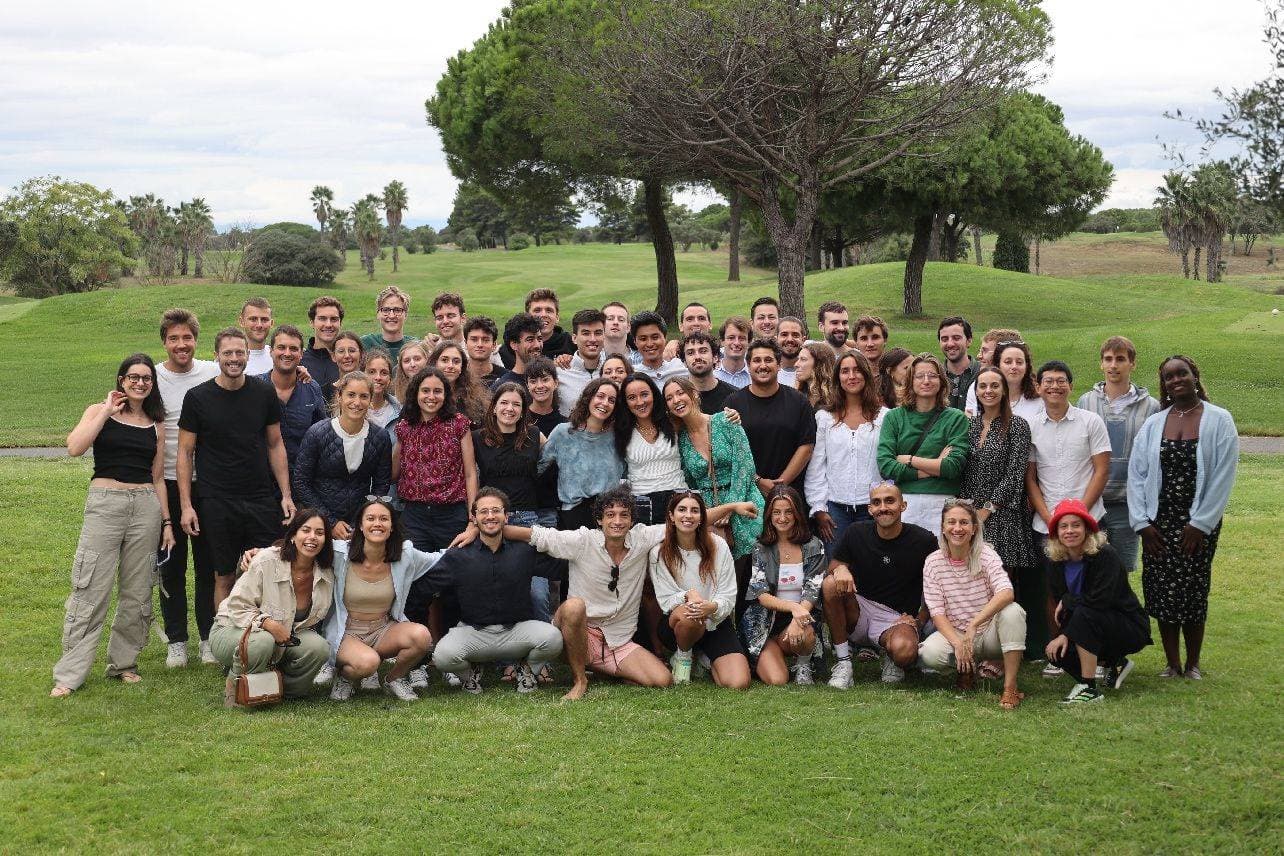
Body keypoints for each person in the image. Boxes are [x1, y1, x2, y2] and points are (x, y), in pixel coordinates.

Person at [505, 485, 753, 699]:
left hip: (618, 640)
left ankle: (604, 668)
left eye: (624, 515)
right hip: (581, 633)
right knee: (573, 606)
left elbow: (686, 521)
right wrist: (487, 528)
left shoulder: (642, 539)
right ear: (599, 519)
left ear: (632, 519)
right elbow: (536, 535)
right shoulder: (582, 541)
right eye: (610, 514)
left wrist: (731, 507)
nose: (617, 521)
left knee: (662, 680)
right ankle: (580, 680)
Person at [51, 354, 174, 698]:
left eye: (146, 378)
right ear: (121, 380)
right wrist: (106, 411)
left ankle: (124, 663)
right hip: (106, 503)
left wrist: (166, 521)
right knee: (90, 586)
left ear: (152, 384)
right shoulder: (98, 411)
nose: (140, 383)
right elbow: (75, 447)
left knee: (137, 591)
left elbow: (158, 477)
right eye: (133, 377)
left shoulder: (156, 422)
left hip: (146, 507)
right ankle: (70, 674)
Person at [1128, 355, 1238, 680]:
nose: (1176, 380)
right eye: (1169, 377)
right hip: (1158, 524)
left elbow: (1222, 476)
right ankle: (1172, 663)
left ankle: (1193, 664)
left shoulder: (1219, 420)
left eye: (1182, 374)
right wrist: (1142, 524)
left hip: (1198, 525)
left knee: (1193, 587)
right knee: (1161, 588)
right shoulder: (1154, 423)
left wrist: (1201, 524)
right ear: (1164, 384)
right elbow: (1137, 474)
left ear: (1194, 376)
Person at [177, 327, 293, 615]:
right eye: (227, 353)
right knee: (224, 574)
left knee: (266, 571)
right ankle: (225, 643)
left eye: (239, 353)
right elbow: (185, 452)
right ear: (216, 356)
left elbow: (275, 444)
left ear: (247, 355)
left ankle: (266, 644)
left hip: (259, 497)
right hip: (216, 500)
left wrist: (286, 495)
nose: (234, 358)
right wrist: (186, 505)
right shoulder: (197, 398)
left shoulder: (263, 392)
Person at [423, 489, 566, 693]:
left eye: (496, 511)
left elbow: (561, 567)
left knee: (553, 639)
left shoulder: (524, 551)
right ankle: (470, 675)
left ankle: (526, 670)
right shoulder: (458, 556)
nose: (490, 516)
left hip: (517, 631)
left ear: (506, 516)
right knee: (443, 656)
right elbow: (427, 588)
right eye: (484, 512)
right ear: (474, 518)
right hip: (474, 632)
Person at [208, 509, 334, 707]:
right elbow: (237, 606)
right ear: (293, 535)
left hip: (284, 635)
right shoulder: (266, 559)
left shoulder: (326, 572)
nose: (312, 537)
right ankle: (236, 687)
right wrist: (268, 623)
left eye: (319, 533)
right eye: (306, 530)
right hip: (232, 628)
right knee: (262, 641)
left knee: (318, 648)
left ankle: (281, 691)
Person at [472, 383, 558, 668]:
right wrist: (473, 519)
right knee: (501, 592)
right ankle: (507, 659)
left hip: (529, 521)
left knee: (538, 592)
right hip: (492, 523)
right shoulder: (477, 439)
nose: (510, 409)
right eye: (504, 403)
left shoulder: (534, 436)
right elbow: (471, 478)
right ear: (494, 406)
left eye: (516, 405)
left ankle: (540, 660)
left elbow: (557, 463)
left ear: (523, 411)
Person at [958, 366, 1041, 654]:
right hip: (969, 514)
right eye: (983, 386)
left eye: (995, 385)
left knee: (999, 586)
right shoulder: (968, 425)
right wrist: (969, 513)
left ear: (1004, 390)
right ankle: (975, 644)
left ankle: (1000, 650)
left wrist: (988, 509)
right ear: (976, 391)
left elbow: (1015, 475)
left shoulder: (1017, 425)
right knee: (974, 584)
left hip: (1002, 515)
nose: (988, 391)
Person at [323, 498, 440, 701]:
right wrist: (258, 553)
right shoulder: (340, 553)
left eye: (384, 519)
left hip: (383, 629)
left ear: (392, 526)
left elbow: (439, 559)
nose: (377, 523)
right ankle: (345, 677)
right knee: (368, 663)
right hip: (347, 632)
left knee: (421, 636)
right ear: (360, 525)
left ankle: (393, 679)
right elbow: (303, 549)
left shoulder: (405, 555)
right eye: (371, 518)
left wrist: (473, 535)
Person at [823, 483, 937, 688]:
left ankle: (893, 658)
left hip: (897, 617)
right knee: (831, 584)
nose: (883, 507)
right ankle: (843, 663)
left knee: (904, 651)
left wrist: (918, 622)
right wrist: (839, 569)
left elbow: (936, 587)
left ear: (903, 505)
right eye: (876, 502)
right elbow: (832, 567)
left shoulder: (924, 540)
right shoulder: (856, 532)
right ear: (870, 509)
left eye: (890, 501)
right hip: (859, 609)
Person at [918, 499, 1028, 709]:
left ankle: (1010, 687)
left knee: (1013, 613)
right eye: (951, 522)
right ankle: (966, 670)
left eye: (964, 523)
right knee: (929, 654)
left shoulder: (986, 554)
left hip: (988, 632)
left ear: (974, 528)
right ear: (942, 527)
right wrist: (958, 643)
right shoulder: (933, 561)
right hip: (957, 632)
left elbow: (1006, 592)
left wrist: (974, 624)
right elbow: (937, 613)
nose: (957, 528)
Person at [154, 308, 218, 666]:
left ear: (196, 339)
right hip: (165, 482)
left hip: (205, 483)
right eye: (174, 338)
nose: (182, 344)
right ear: (164, 341)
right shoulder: (154, 377)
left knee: (208, 565)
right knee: (171, 564)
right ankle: (176, 639)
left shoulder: (210, 371)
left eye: (187, 338)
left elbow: (254, 370)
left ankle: (208, 637)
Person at [665, 376, 765, 602]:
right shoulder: (680, 439)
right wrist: (712, 512)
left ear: (694, 394)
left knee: (750, 581)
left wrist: (730, 508)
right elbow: (691, 480)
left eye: (680, 393)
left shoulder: (726, 421)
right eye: (669, 398)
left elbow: (745, 467)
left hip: (744, 502)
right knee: (716, 580)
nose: (676, 400)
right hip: (709, 511)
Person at [1043, 499, 1152, 705]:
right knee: (1056, 653)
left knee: (1084, 612)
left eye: (1076, 525)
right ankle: (1115, 662)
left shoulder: (1105, 555)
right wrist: (1065, 628)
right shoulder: (1055, 561)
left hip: (1127, 625)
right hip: (1089, 622)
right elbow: (1063, 606)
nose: (1070, 531)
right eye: (1063, 526)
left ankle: (1089, 687)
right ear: (1056, 532)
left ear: (1088, 528)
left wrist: (1066, 630)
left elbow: (1099, 600)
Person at [1076, 336, 1161, 572]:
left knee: (1122, 570)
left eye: (1121, 359)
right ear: (1101, 364)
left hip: (1128, 502)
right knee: (1089, 568)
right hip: (1092, 500)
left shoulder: (1151, 406)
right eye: (1108, 359)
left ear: (1132, 364)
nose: (1114, 365)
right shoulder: (1086, 402)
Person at [649, 491, 750, 688]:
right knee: (691, 614)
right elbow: (665, 599)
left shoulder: (719, 546)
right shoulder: (658, 552)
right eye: (682, 510)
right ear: (671, 515)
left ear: (702, 517)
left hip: (715, 620)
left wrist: (711, 606)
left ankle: (705, 658)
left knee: (738, 683)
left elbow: (728, 593)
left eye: (695, 511)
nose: (688, 516)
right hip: (679, 624)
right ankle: (684, 657)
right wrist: (688, 596)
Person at [740, 486, 825, 685]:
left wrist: (798, 617)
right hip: (766, 621)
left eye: (789, 512)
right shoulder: (760, 548)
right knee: (777, 680)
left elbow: (813, 588)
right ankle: (774, 653)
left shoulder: (814, 545)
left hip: (802, 616)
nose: (782, 518)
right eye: (776, 512)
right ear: (769, 515)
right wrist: (793, 608)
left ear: (797, 514)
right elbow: (761, 594)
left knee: (805, 633)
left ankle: (803, 664)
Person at [876, 353, 969, 535]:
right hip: (904, 503)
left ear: (942, 381)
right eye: (920, 376)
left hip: (943, 504)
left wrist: (909, 460)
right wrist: (934, 467)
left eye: (933, 376)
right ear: (910, 381)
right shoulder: (894, 417)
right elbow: (886, 466)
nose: (926, 381)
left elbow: (952, 467)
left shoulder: (955, 418)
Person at [292, 371, 393, 539]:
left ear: (370, 400)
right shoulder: (317, 433)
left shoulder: (380, 437)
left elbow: (381, 484)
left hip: (359, 525)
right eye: (351, 395)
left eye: (364, 396)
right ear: (340, 396)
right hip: (318, 523)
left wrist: (363, 520)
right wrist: (330, 522)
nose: (357, 402)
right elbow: (301, 482)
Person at [806, 351, 886, 554]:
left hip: (874, 507)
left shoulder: (884, 417)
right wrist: (819, 508)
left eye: (857, 370)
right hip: (836, 509)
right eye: (845, 371)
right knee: (836, 566)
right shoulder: (824, 417)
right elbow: (817, 466)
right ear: (837, 377)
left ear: (867, 375)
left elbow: (890, 464)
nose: (852, 376)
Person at [394, 366, 478, 555]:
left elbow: (470, 473)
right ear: (416, 393)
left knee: (450, 570)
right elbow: (394, 472)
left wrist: (473, 520)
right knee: (416, 572)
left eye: (437, 391)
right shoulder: (405, 427)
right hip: (415, 514)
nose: (431, 396)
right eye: (425, 390)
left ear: (446, 394)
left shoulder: (459, 423)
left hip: (451, 513)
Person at [1026, 360, 1112, 539]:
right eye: (1048, 382)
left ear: (1070, 386)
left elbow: (1102, 471)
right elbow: (1030, 479)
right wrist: (1050, 520)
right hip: (1046, 523)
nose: (1055, 386)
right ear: (1038, 387)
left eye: (1061, 381)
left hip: (1089, 519)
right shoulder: (1030, 427)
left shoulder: (1091, 421)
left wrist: (1078, 515)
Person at [726, 339, 816, 499]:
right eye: (756, 360)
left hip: (790, 494)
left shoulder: (799, 402)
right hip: (748, 494)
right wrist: (758, 481)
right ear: (748, 365)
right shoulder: (733, 403)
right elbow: (728, 451)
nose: (762, 365)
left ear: (779, 364)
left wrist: (780, 485)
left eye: (768, 360)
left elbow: (806, 446)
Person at [540, 378, 625, 530]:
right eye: (600, 396)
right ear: (589, 397)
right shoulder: (563, 432)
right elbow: (538, 468)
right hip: (573, 517)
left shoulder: (619, 436)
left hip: (610, 518)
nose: (605, 403)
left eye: (611, 400)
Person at [615, 374, 688, 526]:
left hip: (678, 499)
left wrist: (728, 415)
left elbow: (701, 422)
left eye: (644, 394)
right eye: (632, 397)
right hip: (641, 503)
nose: (640, 402)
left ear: (654, 395)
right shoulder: (619, 430)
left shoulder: (673, 421)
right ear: (625, 402)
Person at [258, 324, 328, 471]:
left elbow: (322, 435)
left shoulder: (311, 388)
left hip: (303, 477)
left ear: (301, 354)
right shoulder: (255, 388)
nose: (287, 353)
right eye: (281, 347)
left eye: (294, 349)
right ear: (271, 351)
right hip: (262, 481)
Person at [965, 339, 1043, 422]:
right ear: (998, 365)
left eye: (1019, 362)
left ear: (1026, 366)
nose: (1014, 367)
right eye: (1008, 362)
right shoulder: (979, 387)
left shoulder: (1040, 395)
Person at [499, 289, 575, 367]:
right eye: (537, 310)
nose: (543, 315)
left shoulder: (571, 344)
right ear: (527, 316)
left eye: (549, 310)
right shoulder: (509, 349)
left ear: (557, 317)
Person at [961, 327, 1023, 416]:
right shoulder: (976, 387)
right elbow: (971, 424)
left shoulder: (1036, 390)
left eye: (984, 351)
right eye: (980, 351)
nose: (979, 356)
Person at [556, 308, 607, 416]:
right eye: (586, 333)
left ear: (604, 336)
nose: (593, 339)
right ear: (574, 338)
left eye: (598, 333)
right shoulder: (559, 372)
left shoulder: (612, 370)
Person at [431, 340, 489, 426]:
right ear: (435, 363)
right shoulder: (420, 396)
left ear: (462, 367)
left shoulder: (475, 400)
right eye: (444, 360)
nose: (450, 365)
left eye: (456, 361)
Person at [679, 331, 736, 414]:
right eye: (690, 353)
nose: (697, 357)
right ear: (684, 361)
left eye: (703, 351)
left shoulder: (734, 396)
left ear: (715, 357)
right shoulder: (677, 398)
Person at [301, 296, 344, 403]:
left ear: (340, 323)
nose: (328, 324)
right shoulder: (299, 361)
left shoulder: (349, 361)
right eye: (322, 318)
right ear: (312, 322)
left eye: (334, 319)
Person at [361, 285, 418, 364]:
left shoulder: (416, 346)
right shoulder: (365, 344)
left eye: (397, 310)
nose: (391, 315)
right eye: (386, 310)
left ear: (406, 314)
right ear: (378, 314)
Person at [630, 311, 688, 385]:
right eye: (643, 339)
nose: (650, 344)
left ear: (665, 338)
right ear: (635, 342)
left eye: (655, 337)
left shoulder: (680, 368)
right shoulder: (632, 375)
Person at [492, 313, 544, 389]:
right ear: (514, 344)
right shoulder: (501, 388)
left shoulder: (549, 381)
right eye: (530, 340)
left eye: (539, 339)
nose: (537, 345)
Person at [938, 316, 979, 411]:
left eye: (956, 338)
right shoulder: (935, 376)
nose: (950, 344)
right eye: (944, 339)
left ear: (969, 341)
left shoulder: (984, 373)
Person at [362, 348, 400, 429]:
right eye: (372, 372)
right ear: (362, 375)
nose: (378, 377)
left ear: (390, 378)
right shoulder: (352, 408)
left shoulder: (400, 409)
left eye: (384, 373)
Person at [794, 340, 836, 410]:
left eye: (803, 359)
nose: (796, 364)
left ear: (819, 364)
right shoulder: (796, 395)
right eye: (798, 359)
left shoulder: (837, 398)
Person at [463, 316, 504, 385]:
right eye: (474, 339)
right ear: (465, 344)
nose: (480, 345)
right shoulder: (457, 376)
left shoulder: (505, 378)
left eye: (486, 340)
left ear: (494, 345)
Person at [713, 315, 751, 388]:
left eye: (742, 338)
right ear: (722, 341)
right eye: (731, 338)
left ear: (748, 342)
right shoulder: (713, 375)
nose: (736, 343)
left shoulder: (755, 375)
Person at [239, 297, 274, 375]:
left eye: (264, 320)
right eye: (253, 319)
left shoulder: (280, 357)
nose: (259, 325)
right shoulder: (231, 360)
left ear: (271, 323)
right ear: (241, 322)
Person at [774, 316, 807, 386]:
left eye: (795, 335)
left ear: (803, 340)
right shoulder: (768, 373)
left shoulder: (811, 373)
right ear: (776, 339)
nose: (790, 339)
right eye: (784, 335)